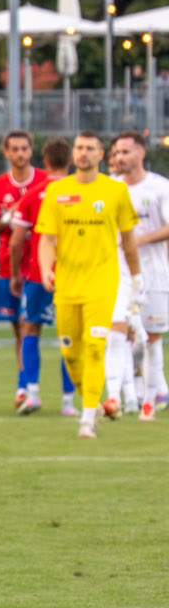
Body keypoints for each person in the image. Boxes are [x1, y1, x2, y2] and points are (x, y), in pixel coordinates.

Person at [37, 131, 141, 438]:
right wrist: (46, 269)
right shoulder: (57, 191)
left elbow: (129, 240)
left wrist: (137, 277)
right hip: (67, 284)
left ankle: (87, 420)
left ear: (101, 155)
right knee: (70, 353)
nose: (83, 153)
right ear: (73, 154)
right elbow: (47, 239)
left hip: (102, 283)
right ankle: (93, 403)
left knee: (95, 347)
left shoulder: (116, 191)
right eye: (79, 147)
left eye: (89, 148)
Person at [0, 130, 51, 412]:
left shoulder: (46, 181)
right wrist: (11, 217)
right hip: (9, 266)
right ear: (6, 152)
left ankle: (28, 388)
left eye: (24, 148)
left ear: (31, 151)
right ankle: (25, 386)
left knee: (30, 326)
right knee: (19, 330)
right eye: (15, 149)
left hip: (40, 266)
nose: (20, 153)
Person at [112, 130, 169, 418]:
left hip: (154, 275)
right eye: (117, 152)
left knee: (151, 337)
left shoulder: (160, 187)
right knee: (121, 335)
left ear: (141, 153)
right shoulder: (110, 187)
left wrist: (138, 240)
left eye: (126, 151)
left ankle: (154, 397)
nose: (120, 157)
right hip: (119, 277)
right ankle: (128, 396)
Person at [25, 136, 79, 416]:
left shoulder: (33, 194)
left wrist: (16, 272)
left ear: (44, 161)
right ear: (70, 160)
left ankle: (32, 393)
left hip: (38, 273)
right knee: (68, 336)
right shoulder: (79, 193)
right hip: (71, 273)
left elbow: (18, 239)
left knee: (31, 329)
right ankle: (68, 401)